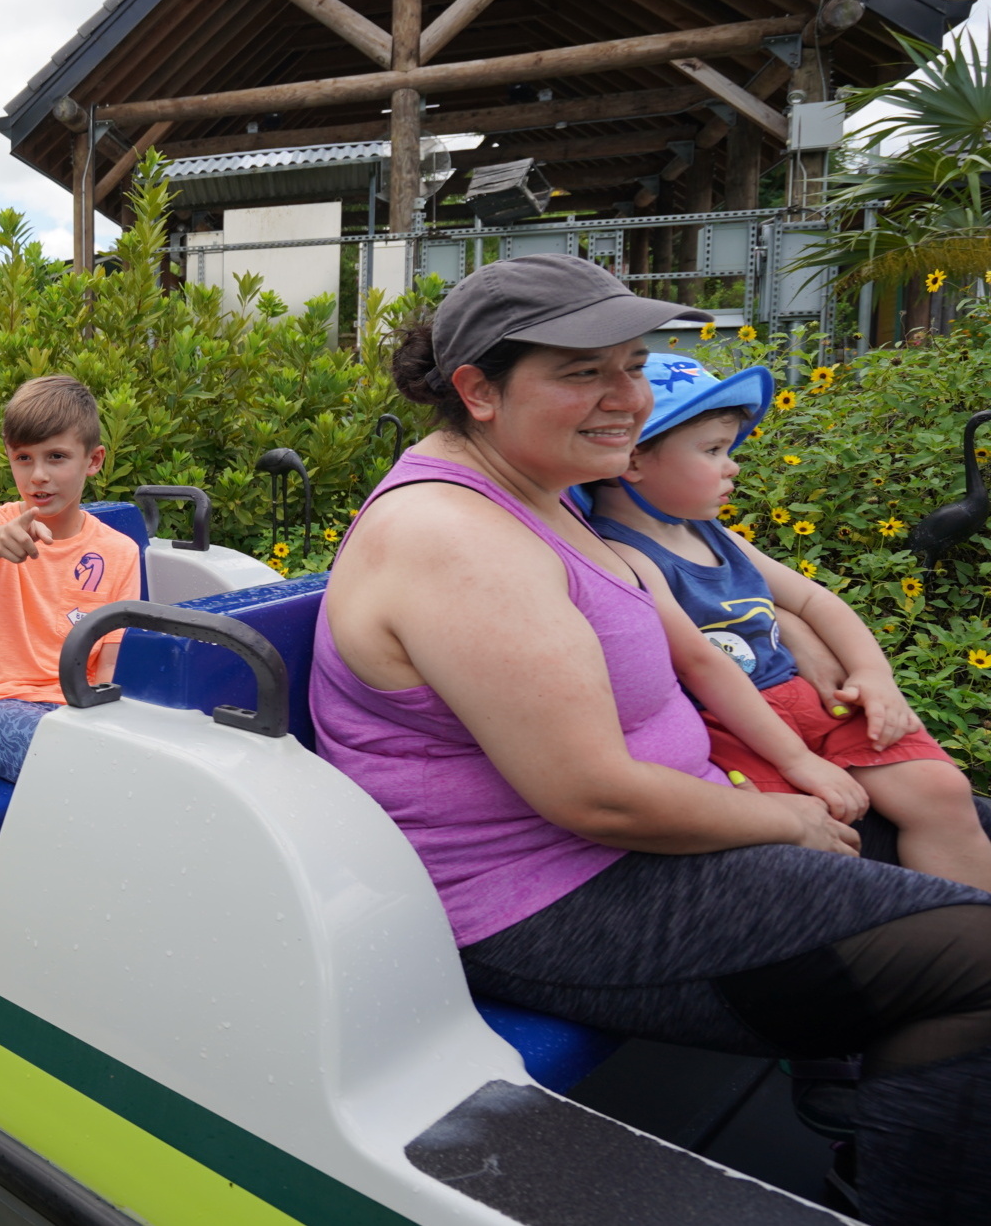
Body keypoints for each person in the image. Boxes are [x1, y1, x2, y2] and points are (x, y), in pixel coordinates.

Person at [315, 254, 991, 1224]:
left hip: (659, 840)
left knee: (961, 826)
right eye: (582, 372)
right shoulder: (449, 535)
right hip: (559, 896)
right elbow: (592, 794)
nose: (625, 397)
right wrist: (785, 821)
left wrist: (813, 725)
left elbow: (720, 633)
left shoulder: (545, 496)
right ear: (477, 390)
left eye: (631, 364)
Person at [585, 355, 991, 892]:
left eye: (728, 450)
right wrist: (797, 760)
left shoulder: (719, 537)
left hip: (804, 696)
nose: (732, 466)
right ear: (632, 461)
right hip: (730, 725)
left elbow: (815, 601)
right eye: (712, 451)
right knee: (817, 841)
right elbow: (700, 662)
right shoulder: (623, 555)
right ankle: (888, 943)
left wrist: (875, 677)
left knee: (939, 791)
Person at [0, 376, 141, 782]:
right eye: (23, 458)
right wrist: (1, 541)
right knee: (79, 764)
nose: (37, 475)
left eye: (56, 457)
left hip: (80, 710)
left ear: (93, 460)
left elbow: (109, 667)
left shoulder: (121, 552)